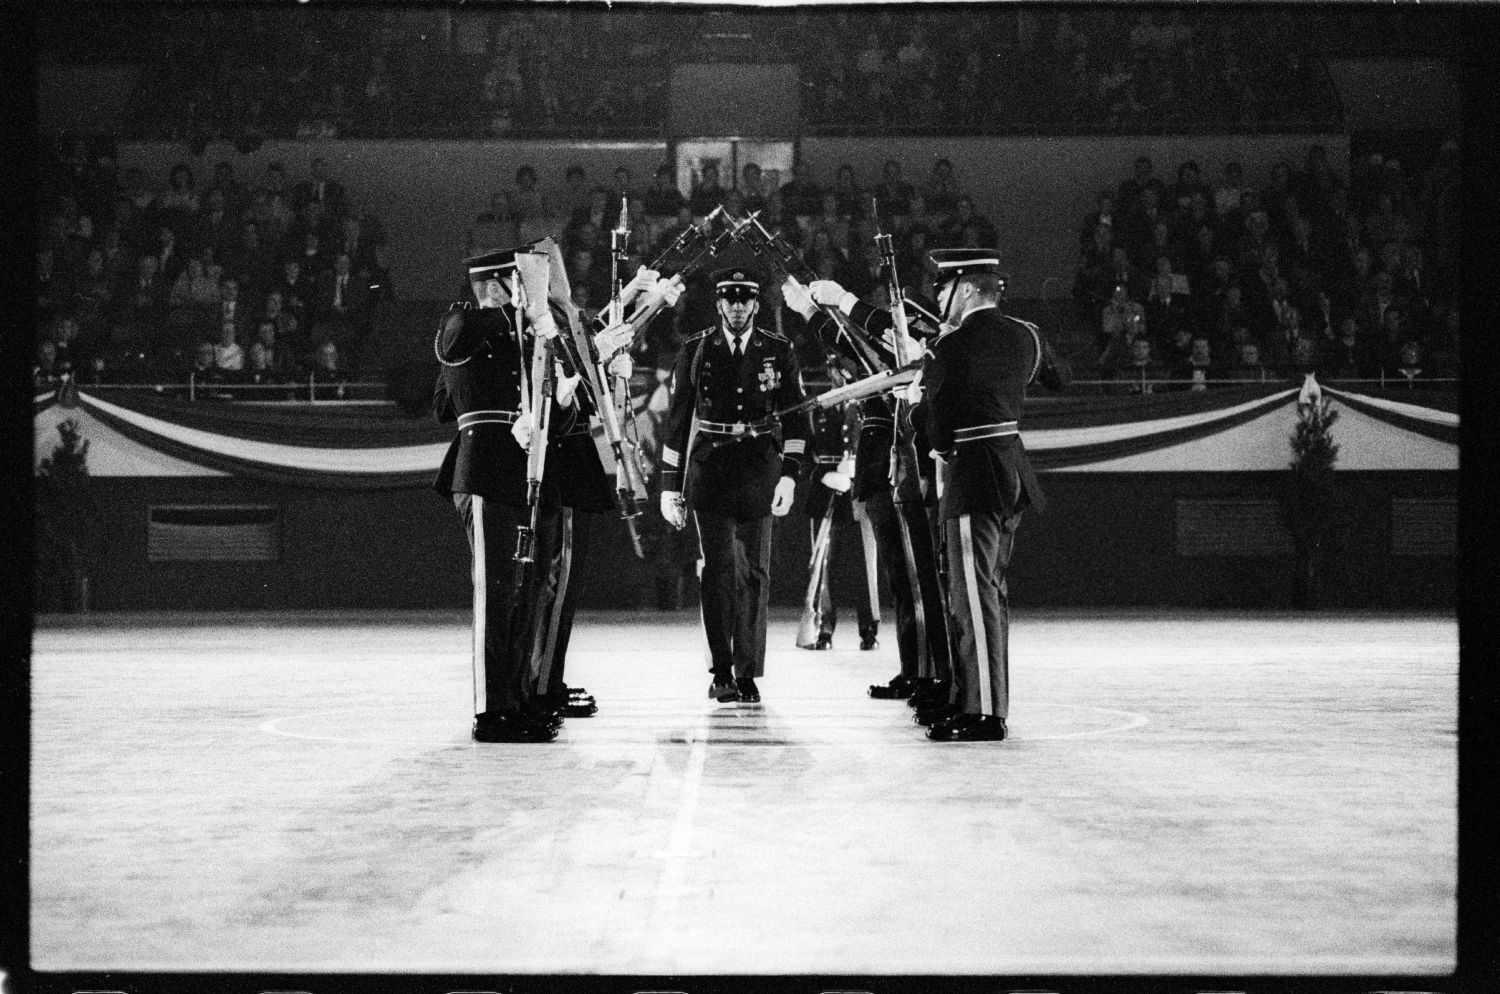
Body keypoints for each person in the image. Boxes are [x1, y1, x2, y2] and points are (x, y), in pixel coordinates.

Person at [783, 277, 954, 706]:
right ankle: (913, 670)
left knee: (920, 577)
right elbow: (848, 343)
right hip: (878, 468)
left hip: (910, 463)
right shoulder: (881, 358)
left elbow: (868, 332)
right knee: (899, 576)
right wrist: (810, 312)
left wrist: (844, 300)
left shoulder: (931, 351)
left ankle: (937, 674)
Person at [658, 269, 810, 704]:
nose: (738, 307)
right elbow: (678, 420)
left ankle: (748, 672)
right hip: (711, 469)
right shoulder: (697, 348)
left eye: (745, 300)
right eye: (730, 300)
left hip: (760, 467)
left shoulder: (777, 350)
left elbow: (796, 416)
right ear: (719, 305)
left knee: (755, 575)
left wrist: (790, 474)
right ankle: (721, 669)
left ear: (757, 305)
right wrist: (670, 486)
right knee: (719, 573)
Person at [918, 248, 1049, 742]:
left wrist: (917, 404)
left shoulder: (948, 349)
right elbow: (1059, 377)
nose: (939, 297)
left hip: (974, 474)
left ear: (967, 289)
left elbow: (939, 436)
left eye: (944, 288)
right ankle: (972, 699)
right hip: (1011, 467)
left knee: (971, 597)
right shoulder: (1025, 336)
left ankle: (987, 711)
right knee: (987, 593)